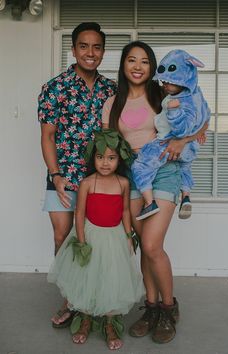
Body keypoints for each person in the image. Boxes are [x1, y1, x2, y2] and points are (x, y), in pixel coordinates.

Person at [102, 41, 207, 344]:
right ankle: (150, 307)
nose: (137, 66)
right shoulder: (113, 103)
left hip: (164, 169)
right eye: (131, 60)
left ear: (153, 68)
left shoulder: (163, 93)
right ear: (123, 65)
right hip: (133, 175)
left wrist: (182, 142)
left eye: (145, 61)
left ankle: (168, 308)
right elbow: (108, 143)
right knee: (143, 247)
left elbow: (202, 123)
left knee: (151, 244)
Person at [38, 22, 116, 327]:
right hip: (62, 176)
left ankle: (94, 295)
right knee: (62, 236)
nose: (90, 52)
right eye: (84, 46)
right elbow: (47, 136)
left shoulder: (111, 89)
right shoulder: (54, 87)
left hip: (100, 178)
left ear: (103, 52)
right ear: (73, 50)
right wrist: (55, 175)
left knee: (96, 239)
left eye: (96, 47)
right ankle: (70, 297)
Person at [47, 129, 144, 350]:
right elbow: (79, 213)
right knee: (87, 278)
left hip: (114, 237)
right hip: (91, 235)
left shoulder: (123, 183)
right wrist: (81, 240)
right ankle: (86, 320)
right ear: (93, 158)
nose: (105, 163)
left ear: (119, 159)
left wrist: (129, 236)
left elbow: (126, 211)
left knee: (111, 278)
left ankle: (110, 324)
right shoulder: (88, 183)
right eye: (100, 157)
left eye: (111, 158)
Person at [131, 49, 211, 221]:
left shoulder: (178, 100)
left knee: (140, 166)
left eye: (169, 82)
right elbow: (206, 114)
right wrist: (198, 133)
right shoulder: (195, 94)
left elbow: (181, 129)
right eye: (163, 82)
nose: (165, 86)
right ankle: (186, 196)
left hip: (166, 145)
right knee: (185, 169)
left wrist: (174, 113)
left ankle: (149, 202)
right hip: (189, 149)